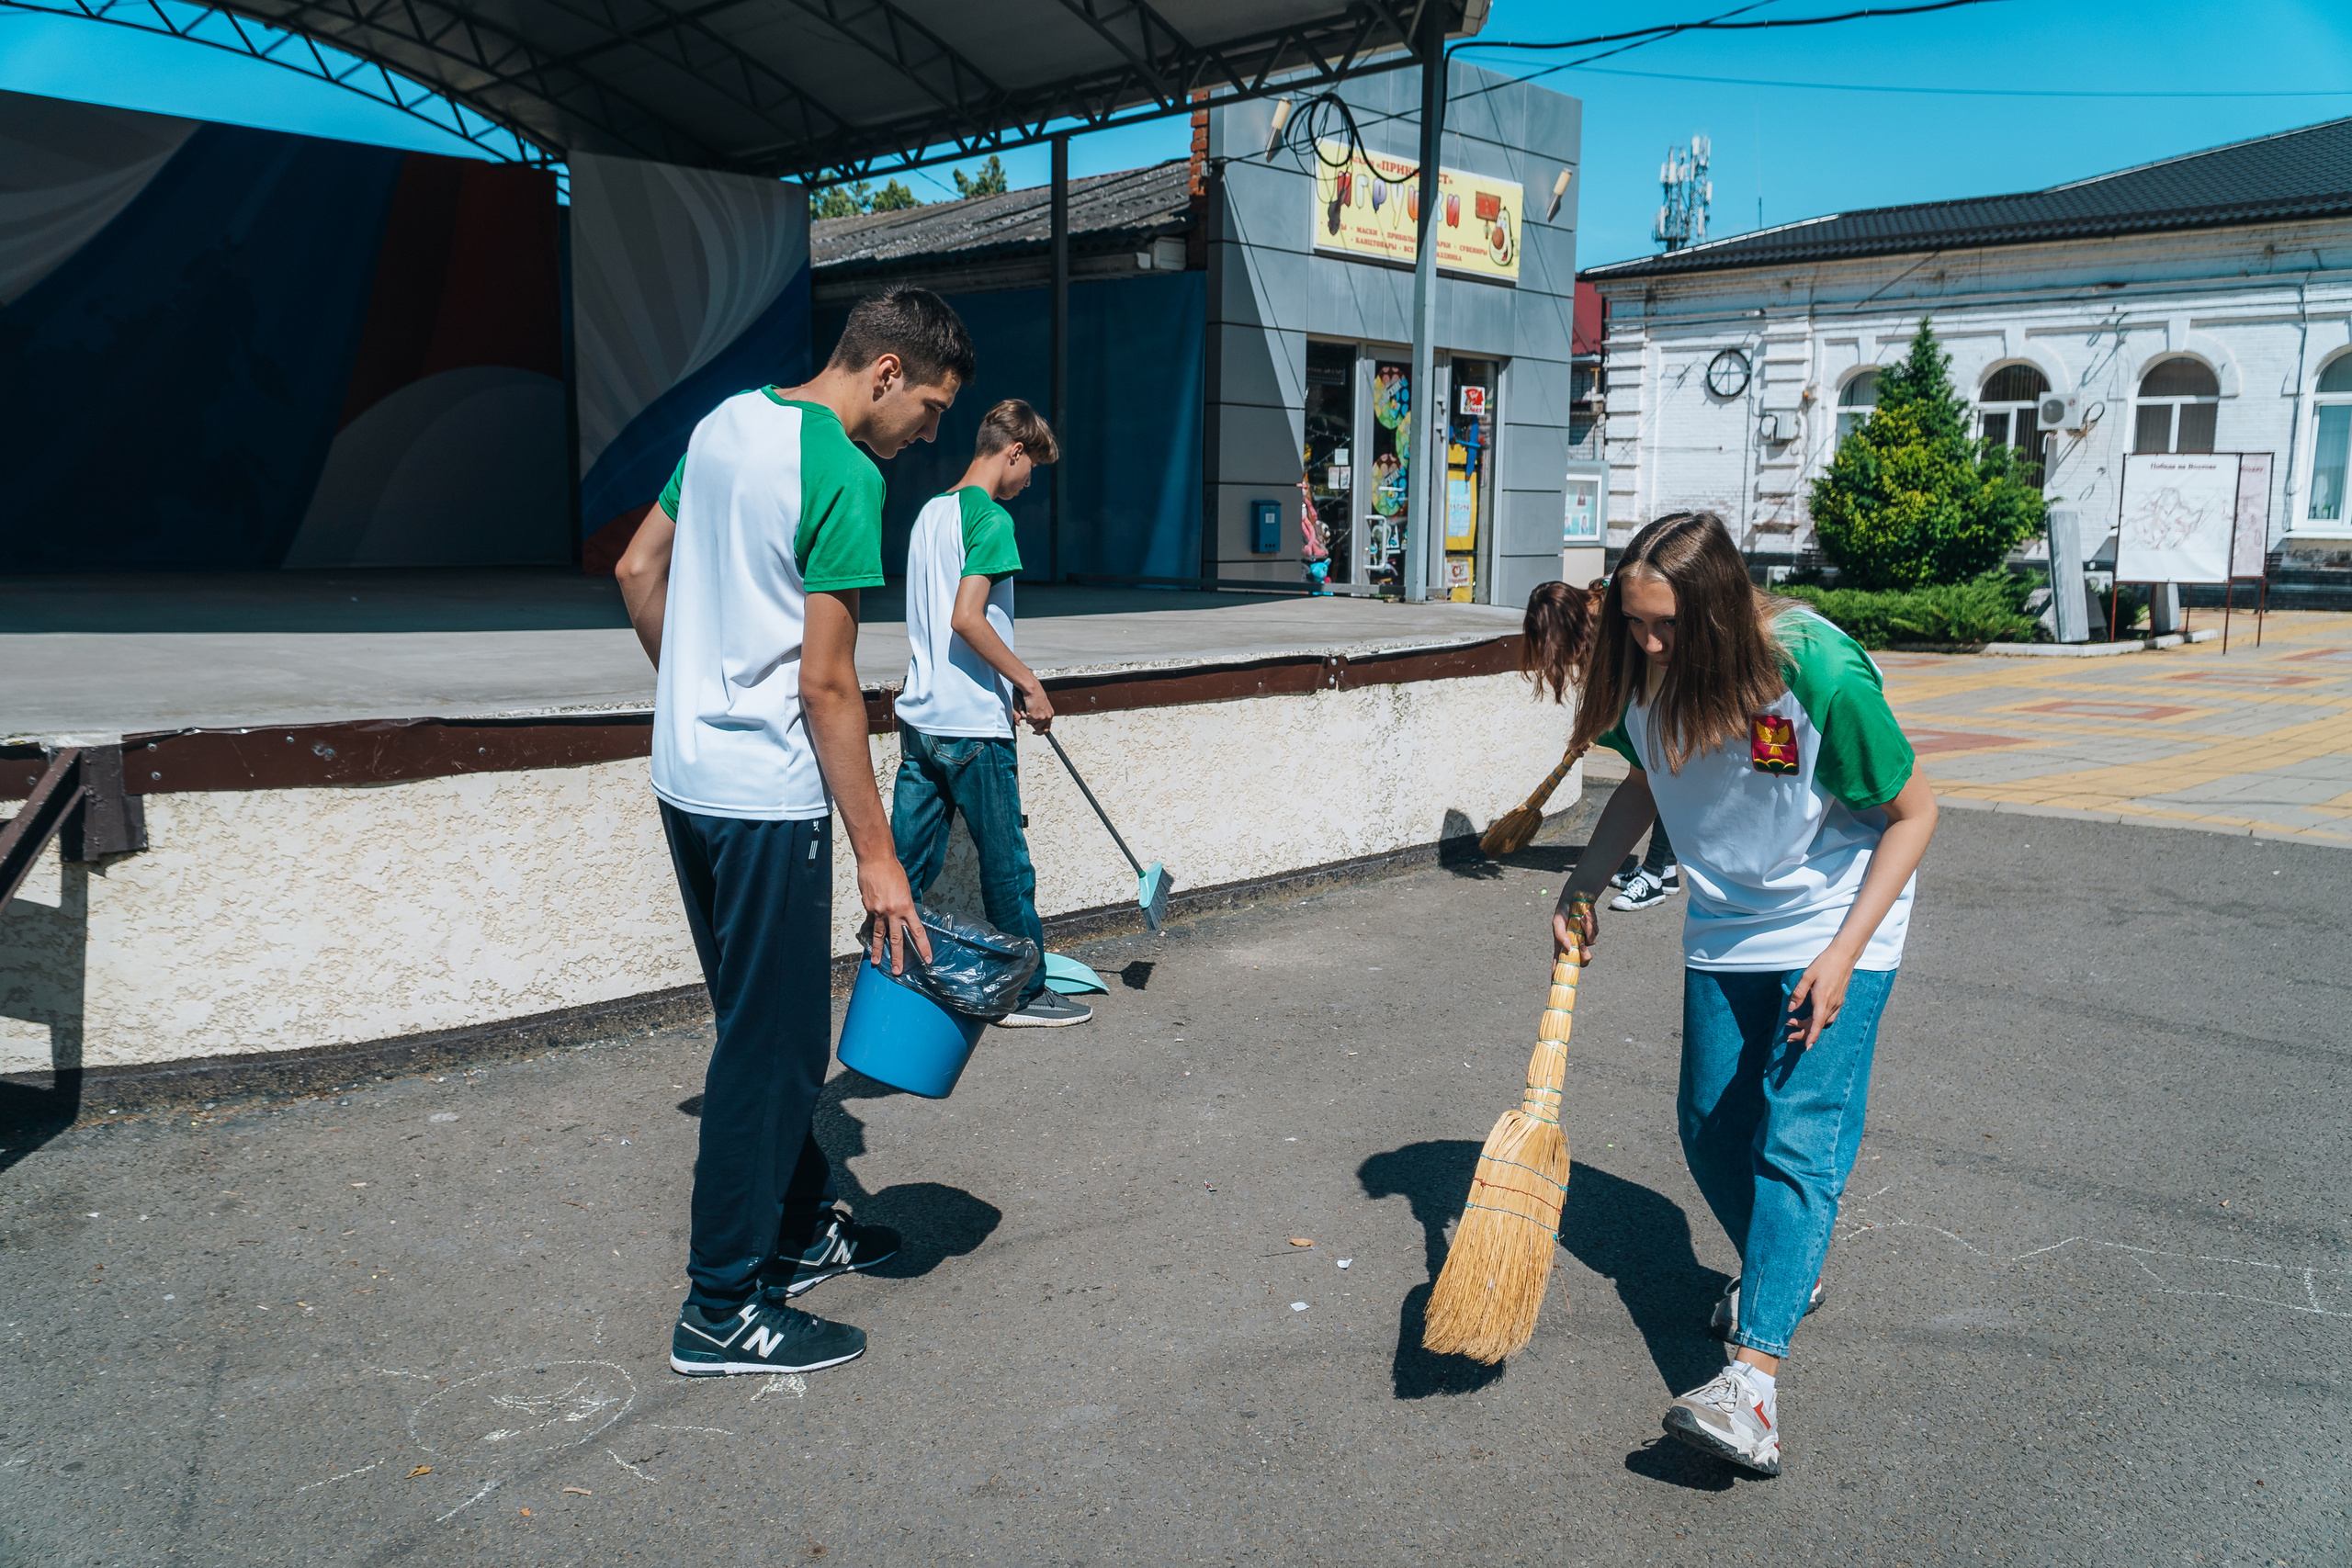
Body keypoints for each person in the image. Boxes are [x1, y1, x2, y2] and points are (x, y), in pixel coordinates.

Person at [616, 288, 977, 1377]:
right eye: (931, 407)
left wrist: (696, 697)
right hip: (764, 801)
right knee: (771, 1059)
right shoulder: (845, 474)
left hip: (685, 780)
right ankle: (721, 1309)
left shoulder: (724, 423)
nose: (931, 434)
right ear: (883, 373)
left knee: (756, 1029)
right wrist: (881, 859)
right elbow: (827, 688)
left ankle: (800, 1223)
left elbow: (638, 570)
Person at [1550, 512, 1938, 1477]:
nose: (1647, 644)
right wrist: (1582, 882)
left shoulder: (1817, 673)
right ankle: (1782, 1271)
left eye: (1668, 626)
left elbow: (1914, 814)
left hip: (1839, 920)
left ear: (1719, 611)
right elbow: (1644, 776)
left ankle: (1751, 1385)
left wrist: (1844, 953)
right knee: (1707, 1129)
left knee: (1796, 1135)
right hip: (1727, 928)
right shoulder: (1640, 669)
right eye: (1634, 622)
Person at [889, 398, 1090, 1028]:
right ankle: (1022, 997)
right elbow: (966, 617)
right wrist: (1028, 682)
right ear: (1014, 452)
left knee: (904, 869)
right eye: (1032, 468)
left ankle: (889, 980)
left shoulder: (929, 514)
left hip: (921, 722)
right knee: (1007, 867)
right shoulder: (991, 520)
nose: (1030, 484)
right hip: (973, 727)